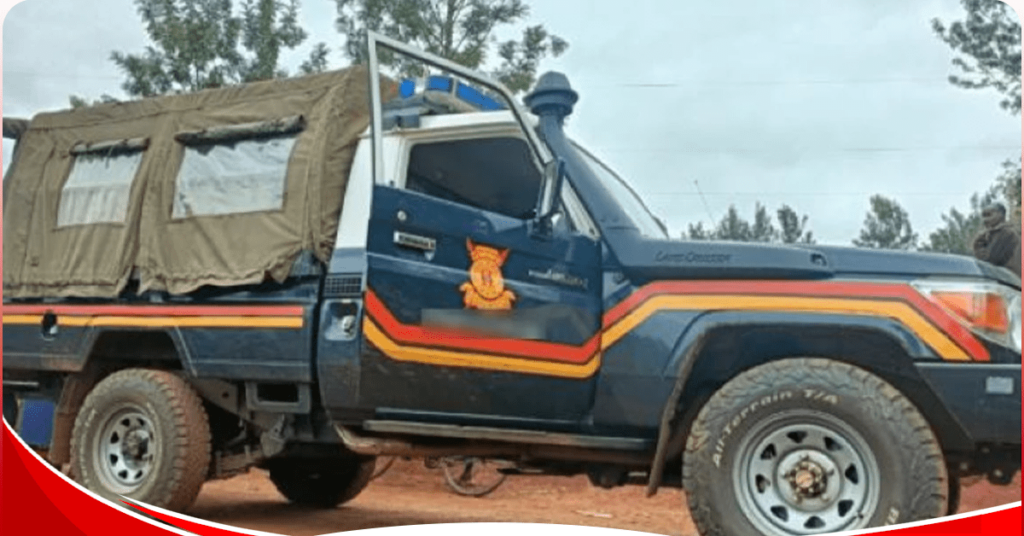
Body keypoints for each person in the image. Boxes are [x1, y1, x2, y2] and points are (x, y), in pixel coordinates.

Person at [973, 203, 1021, 277]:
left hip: (1010, 281)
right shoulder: (990, 234)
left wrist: (980, 241)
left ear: (1001, 215)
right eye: (984, 216)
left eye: (989, 215)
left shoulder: (1007, 233)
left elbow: (991, 260)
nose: (985, 219)